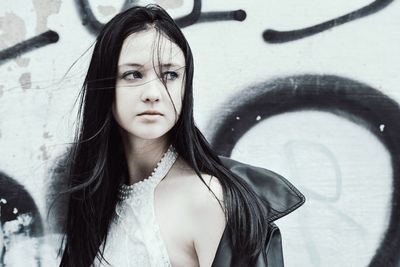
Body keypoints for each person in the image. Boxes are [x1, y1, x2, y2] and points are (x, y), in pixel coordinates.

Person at [58, 4, 305, 267]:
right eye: (133, 74)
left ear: (185, 87)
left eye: (170, 75)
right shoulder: (94, 197)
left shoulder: (205, 198)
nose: (153, 93)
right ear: (105, 87)